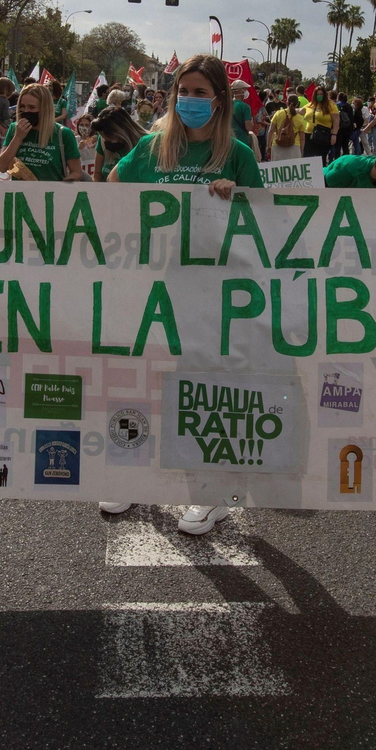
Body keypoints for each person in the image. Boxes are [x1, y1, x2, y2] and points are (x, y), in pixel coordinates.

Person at [107, 54, 263, 536]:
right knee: (145, 382)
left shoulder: (238, 154)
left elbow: (265, 224)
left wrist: (236, 197)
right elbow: (112, 189)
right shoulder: (152, 148)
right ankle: (133, 478)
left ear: (219, 99)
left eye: (200, 92)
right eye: (183, 91)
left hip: (211, 293)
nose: (190, 100)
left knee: (204, 390)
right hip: (153, 287)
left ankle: (211, 492)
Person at [0, 82, 82, 182]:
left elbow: (76, 172)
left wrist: (61, 186)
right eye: (22, 106)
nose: (26, 111)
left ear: (45, 108)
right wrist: (18, 137)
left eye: (32, 107)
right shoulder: (15, 128)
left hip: (50, 190)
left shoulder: (63, 134)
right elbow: (2, 167)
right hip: (20, 190)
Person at [91, 106, 145, 182]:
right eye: (104, 138)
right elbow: (97, 174)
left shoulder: (144, 144)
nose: (105, 141)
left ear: (120, 132)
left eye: (108, 139)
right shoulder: (102, 139)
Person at [303, 86, 339, 163]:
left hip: (322, 136)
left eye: (321, 94)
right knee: (307, 159)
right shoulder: (310, 105)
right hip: (308, 136)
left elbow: (336, 120)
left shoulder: (330, 105)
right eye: (317, 94)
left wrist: (334, 135)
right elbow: (300, 111)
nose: (319, 96)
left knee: (320, 160)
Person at [268, 96, 305, 162]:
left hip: (277, 145)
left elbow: (271, 131)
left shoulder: (278, 113)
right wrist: (301, 150)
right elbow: (302, 138)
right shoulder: (300, 118)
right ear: (297, 104)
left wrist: (268, 145)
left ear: (287, 102)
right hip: (294, 146)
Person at [229, 80, 259, 159]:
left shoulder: (228, 105)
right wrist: (252, 123)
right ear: (240, 90)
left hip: (230, 141)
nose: (247, 91)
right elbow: (248, 127)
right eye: (245, 89)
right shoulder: (245, 107)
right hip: (243, 141)